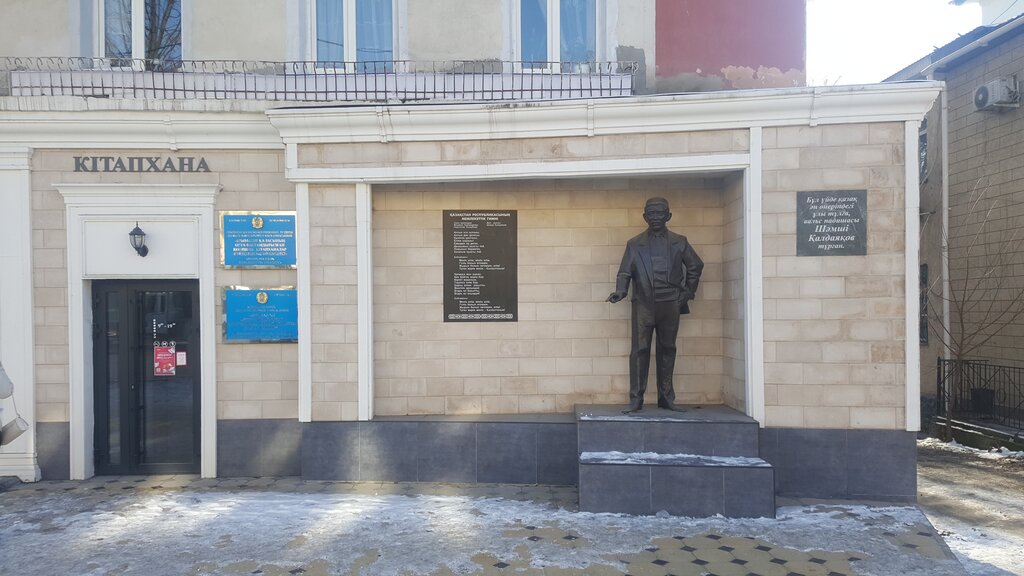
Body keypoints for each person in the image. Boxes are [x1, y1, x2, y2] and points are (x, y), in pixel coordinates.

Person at [607, 197, 703, 413]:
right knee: (639, 350)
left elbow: (695, 266)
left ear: (668, 216)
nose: (656, 217)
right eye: (651, 213)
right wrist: (621, 291)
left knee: (667, 348)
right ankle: (636, 399)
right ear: (645, 217)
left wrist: (688, 292)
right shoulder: (634, 244)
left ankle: (666, 397)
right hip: (643, 304)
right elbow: (625, 272)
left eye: (660, 213)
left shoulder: (679, 241)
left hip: (670, 303)